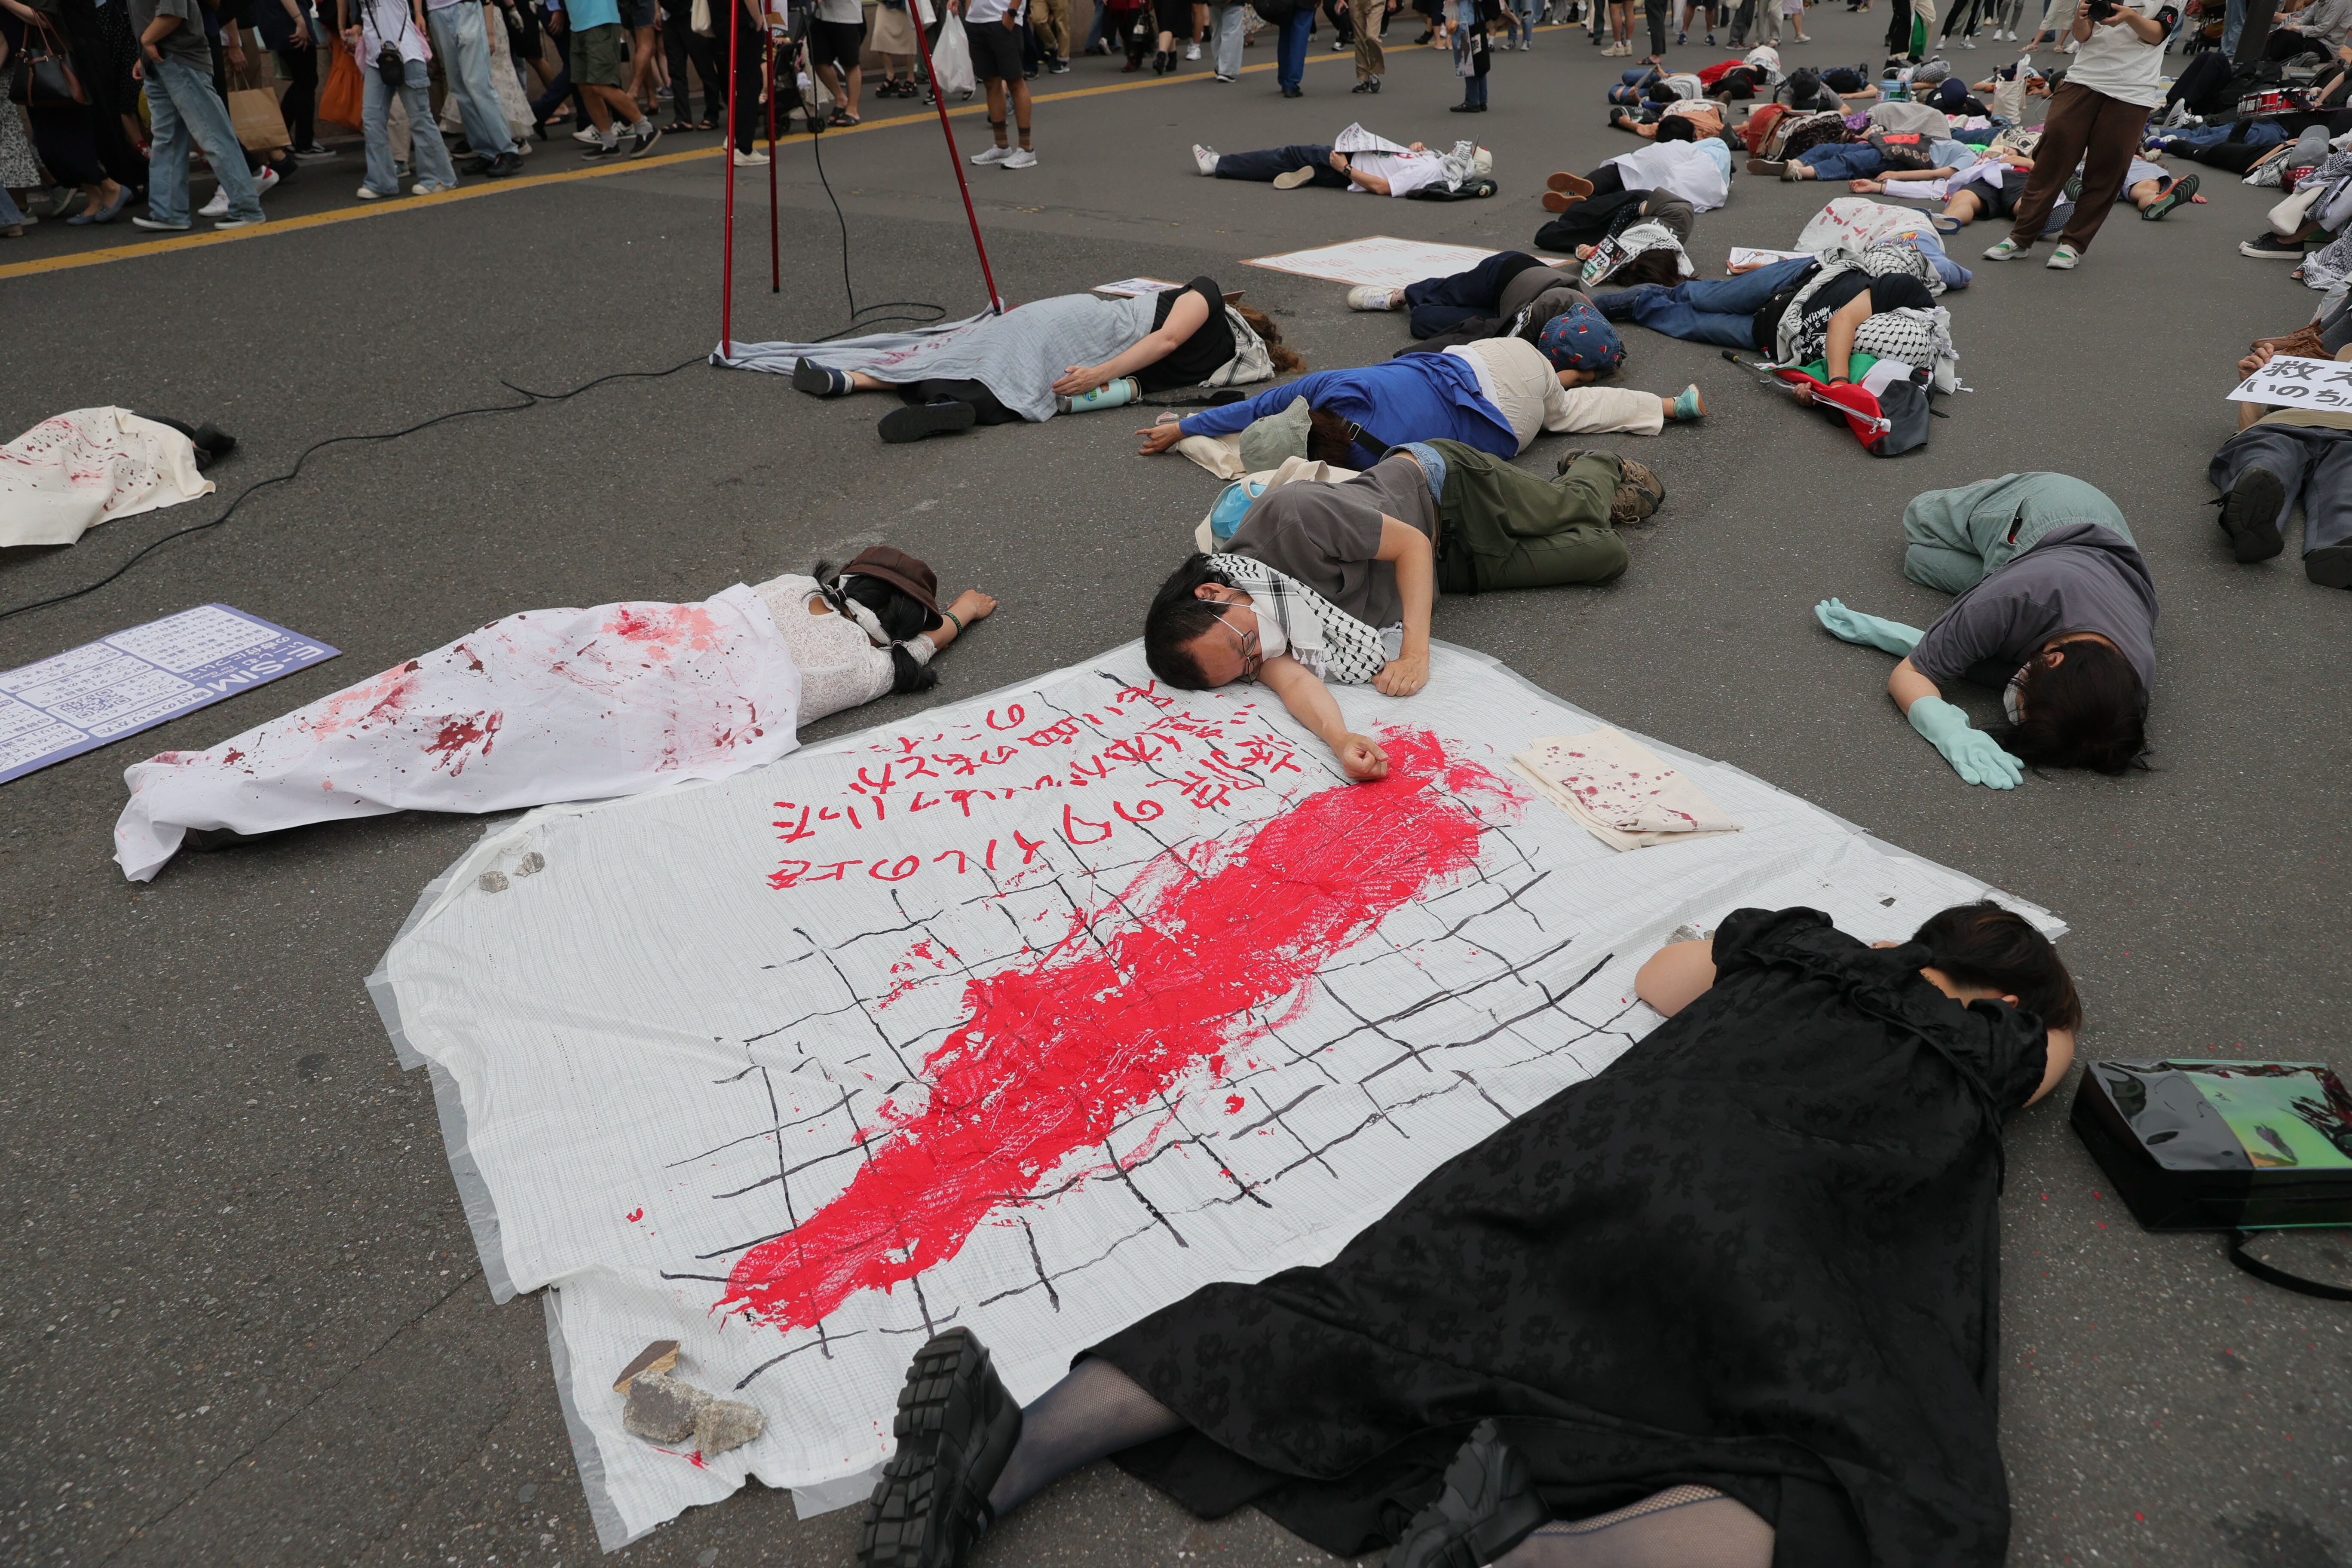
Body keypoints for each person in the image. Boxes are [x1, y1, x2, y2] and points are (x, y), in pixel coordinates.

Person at [852, 899, 2079, 1568]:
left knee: (1346, 1318)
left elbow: (1662, 980)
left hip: (1587, 1163)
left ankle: (1005, 1455)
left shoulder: (1798, 945)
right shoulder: (2002, 1045)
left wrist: (1856, 951)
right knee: (1881, 1486)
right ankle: (1534, 1550)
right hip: (1769, 1244)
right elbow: (2064, 1061)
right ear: (2012, 997)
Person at [1134, 442, 1654, 772]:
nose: (1260, 659)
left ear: (1213, 594)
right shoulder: (1261, 627)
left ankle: (1596, 467)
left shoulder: (1290, 519)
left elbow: (1410, 547)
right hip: (1438, 573)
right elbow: (1294, 683)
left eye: (1245, 646)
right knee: (1606, 556)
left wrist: (1415, 656)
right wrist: (1340, 742)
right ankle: (1588, 508)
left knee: (1574, 509)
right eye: (1248, 670)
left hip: (1444, 494)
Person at [1816, 473, 2155, 784]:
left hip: (2091, 563)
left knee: (1920, 562)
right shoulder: (2008, 601)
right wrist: (1949, 732)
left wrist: (1927, 643)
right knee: (1919, 519)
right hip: (2050, 509)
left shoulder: (2127, 691)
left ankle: (1985, 566)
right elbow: (1908, 677)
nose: (2012, 705)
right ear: (2053, 660)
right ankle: (1996, 499)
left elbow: (1999, 674)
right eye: (2021, 701)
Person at [780, 276, 1299, 441]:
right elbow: (1161, 364)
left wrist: (1100, 370)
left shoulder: (1205, 294)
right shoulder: (1218, 368)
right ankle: (949, 406)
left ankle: (851, 378)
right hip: (1108, 370)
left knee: (979, 347)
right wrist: (1100, 378)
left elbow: (1163, 338)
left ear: (1239, 311)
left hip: (1094, 327)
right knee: (1028, 386)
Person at [1139, 330, 1702, 465]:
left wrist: (1188, 436)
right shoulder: (1326, 387)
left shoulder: (1363, 470)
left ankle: (1666, 407)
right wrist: (1187, 426)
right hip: (1495, 359)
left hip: (1510, 427)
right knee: (1558, 398)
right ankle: (1568, 376)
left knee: (1564, 416)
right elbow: (1258, 406)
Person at [1599, 241, 1949, 386]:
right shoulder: (1908, 294)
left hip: (1773, 335)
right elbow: (1843, 321)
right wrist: (1839, 385)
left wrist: (1815, 390)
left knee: (1689, 325)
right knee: (1704, 297)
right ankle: (1641, 292)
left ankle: (1638, 305)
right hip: (1801, 281)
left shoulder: (1894, 369)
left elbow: (1823, 374)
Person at [1979, 0, 2166, 269]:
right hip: (2083, 79)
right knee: (2050, 158)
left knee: (2107, 169)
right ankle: (2020, 239)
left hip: (2132, 90)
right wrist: (2081, 17)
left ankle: (2073, 244)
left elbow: (2157, 35)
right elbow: (2082, 36)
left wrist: (2128, 16)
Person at [759, 547, 998, 720]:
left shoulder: (792, 585)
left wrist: (965, 608)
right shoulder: (866, 669)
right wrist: (967, 609)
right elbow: (929, 644)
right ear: (900, 635)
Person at [2209, 332, 2352, 588]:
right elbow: (2249, 427)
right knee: (2267, 460)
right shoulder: (2305, 364)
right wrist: (2252, 383)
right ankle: (2252, 516)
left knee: (2347, 482)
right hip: (2282, 427)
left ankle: (2344, 548)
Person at [127, 0, 264, 230]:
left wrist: (147, 40)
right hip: (162, 57)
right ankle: (168, 213)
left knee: (211, 133)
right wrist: (145, 51)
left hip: (178, 56)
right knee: (168, 138)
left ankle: (246, 208)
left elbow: (174, 10)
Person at [1193, 136, 1491, 196]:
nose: (1460, 147)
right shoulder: (1436, 163)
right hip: (1358, 155)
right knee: (1297, 156)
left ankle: (1218, 164)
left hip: (1350, 167)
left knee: (1291, 153)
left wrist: (1344, 170)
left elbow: (1385, 187)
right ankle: (1310, 176)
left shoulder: (1431, 172)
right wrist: (1417, 150)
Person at [425, 0, 526, 174]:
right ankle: (486, 151)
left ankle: (507, 150)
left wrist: (490, 31)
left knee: (478, 84)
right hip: (436, 10)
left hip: (466, 7)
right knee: (459, 88)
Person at [561, 0, 662, 157]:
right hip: (578, 24)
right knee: (584, 85)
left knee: (601, 84)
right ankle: (608, 142)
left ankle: (644, 127)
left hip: (601, 22)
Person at [964, 0, 1036, 165]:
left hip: (1003, 17)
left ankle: (1026, 148)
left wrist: (1012, 13)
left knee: (1014, 82)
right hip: (977, 20)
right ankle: (1002, 146)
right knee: (990, 82)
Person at [810, 0, 866, 122]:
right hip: (820, 14)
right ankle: (840, 98)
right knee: (819, 61)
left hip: (847, 15)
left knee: (850, 63)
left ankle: (852, 109)